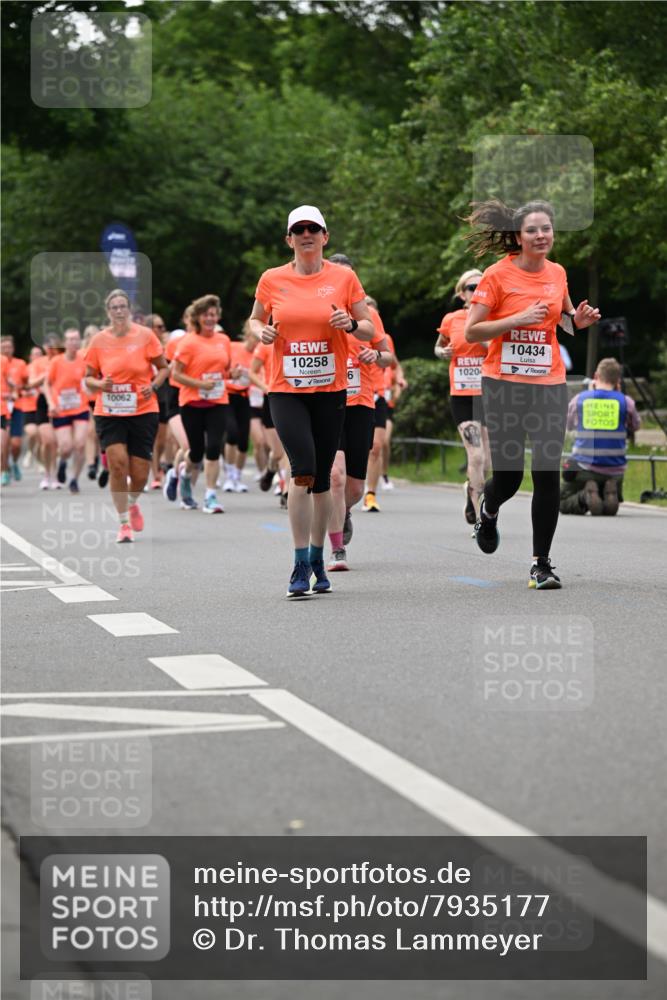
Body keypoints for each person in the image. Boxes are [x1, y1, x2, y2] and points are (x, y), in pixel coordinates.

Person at [464, 198, 600, 589]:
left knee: (546, 474)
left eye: (547, 229)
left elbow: (565, 321)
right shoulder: (496, 276)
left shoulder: (557, 273)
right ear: (518, 238)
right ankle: (488, 510)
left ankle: (541, 564)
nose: (541, 236)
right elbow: (472, 331)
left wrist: (580, 321)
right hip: (503, 385)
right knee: (508, 477)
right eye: (532, 230)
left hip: (548, 386)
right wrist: (516, 319)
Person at [248, 205, 375, 596]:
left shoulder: (344, 278)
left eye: (313, 229)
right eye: (298, 229)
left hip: (330, 390)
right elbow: (253, 319)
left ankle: (319, 558)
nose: (306, 234)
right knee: (302, 472)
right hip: (286, 390)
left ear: (325, 236)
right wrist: (261, 331)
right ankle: (300, 562)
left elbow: (368, 328)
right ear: (289, 239)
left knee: (322, 481)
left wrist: (351, 325)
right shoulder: (272, 279)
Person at [324, 254, 394, 571]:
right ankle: (337, 549)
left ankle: (346, 511)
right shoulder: (317, 308)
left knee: (353, 488)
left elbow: (387, 356)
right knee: (334, 478)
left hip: (361, 403)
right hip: (327, 401)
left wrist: (373, 355)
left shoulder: (368, 315)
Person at [84, 289, 168, 542]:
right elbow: (88, 378)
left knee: (140, 473)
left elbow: (164, 368)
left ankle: (132, 503)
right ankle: (123, 523)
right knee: (118, 464)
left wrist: (152, 385)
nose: (119, 311)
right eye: (114, 307)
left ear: (129, 309)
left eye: (123, 306)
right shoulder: (98, 340)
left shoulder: (145, 335)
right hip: (109, 410)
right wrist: (100, 385)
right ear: (108, 312)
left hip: (142, 409)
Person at [435, 268, 491, 524]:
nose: (476, 291)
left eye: (481, 286)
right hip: (462, 395)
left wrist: (485, 338)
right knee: (476, 456)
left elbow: (501, 349)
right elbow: (439, 345)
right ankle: (480, 513)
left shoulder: (494, 316)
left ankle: (471, 490)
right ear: (462, 294)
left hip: (489, 395)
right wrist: (441, 352)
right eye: (471, 287)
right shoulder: (452, 319)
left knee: (487, 462)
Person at [171, 294, 230, 513]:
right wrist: (199, 384)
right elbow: (175, 374)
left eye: (214, 314)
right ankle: (185, 476)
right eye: (206, 314)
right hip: (192, 402)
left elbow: (226, 370)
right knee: (196, 452)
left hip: (218, 401)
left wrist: (233, 373)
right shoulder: (188, 342)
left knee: (214, 448)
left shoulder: (223, 340)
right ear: (198, 317)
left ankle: (210, 496)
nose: (210, 318)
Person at [560, 357, 640, 516]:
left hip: (584, 467)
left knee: (561, 502)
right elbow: (635, 426)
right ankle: (609, 492)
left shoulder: (580, 399)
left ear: (596, 376)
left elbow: (567, 425)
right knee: (607, 487)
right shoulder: (626, 402)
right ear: (618, 380)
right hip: (615, 470)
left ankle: (585, 496)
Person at [361, 296, 397, 513]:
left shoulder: (381, 333)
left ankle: (371, 494)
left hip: (376, 393)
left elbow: (390, 359)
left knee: (376, 446)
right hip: (347, 395)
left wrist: (375, 355)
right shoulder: (339, 322)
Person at [45, 327, 90, 493]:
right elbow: (46, 384)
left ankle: (74, 479)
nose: (73, 343)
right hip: (60, 409)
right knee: (65, 447)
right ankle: (63, 462)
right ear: (65, 343)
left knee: (80, 444)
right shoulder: (56, 361)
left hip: (80, 407)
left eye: (76, 339)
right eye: (70, 339)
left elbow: (90, 380)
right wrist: (51, 403)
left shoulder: (84, 360)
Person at [222, 328, 254, 494]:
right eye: (255, 337)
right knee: (232, 433)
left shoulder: (259, 355)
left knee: (243, 440)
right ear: (247, 334)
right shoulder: (234, 347)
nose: (258, 342)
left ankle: (237, 477)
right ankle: (228, 475)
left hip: (244, 397)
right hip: (228, 395)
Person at [28, 334, 63, 489]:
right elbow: (31, 383)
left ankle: (54, 475)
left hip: (60, 401)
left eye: (53, 345)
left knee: (55, 442)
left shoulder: (62, 360)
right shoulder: (39, 362)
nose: (50, 348)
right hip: (43, 401)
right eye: (47, 345)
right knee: (46, 440)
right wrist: (46, 375)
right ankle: (46, 473)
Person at [145, 314, 170, 489]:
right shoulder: (142, 347)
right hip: (148, 397)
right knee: (151, 439)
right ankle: (154, 473)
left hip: (165, 396)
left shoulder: (168, 347)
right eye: (158, 327)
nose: (162, 330)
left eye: (162, 327)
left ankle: (158, 466)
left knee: (162, 439)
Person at [0, 336, 28, 483]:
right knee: (3, 442)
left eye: (8, 347)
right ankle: (3, 471)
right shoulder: (1, 362)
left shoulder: (20, 364)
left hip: (16, 406)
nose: (6, 350)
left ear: (13, 348)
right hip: (2, 407)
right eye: (3, 347)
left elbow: (25, 383)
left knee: (16, 443)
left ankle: (14, 462)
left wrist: (17, 391)